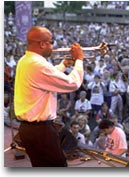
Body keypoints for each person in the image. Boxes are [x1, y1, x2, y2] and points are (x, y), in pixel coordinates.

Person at [14, 26, 84, 167]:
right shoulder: (38, 64)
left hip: (29, 129)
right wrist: (80, 60)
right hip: (41, 131)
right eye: (50, 42)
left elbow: (46, 78)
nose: (53, 46)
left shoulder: (26, 60)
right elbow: (73, 83)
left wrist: (64, 65)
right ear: (42, 44)